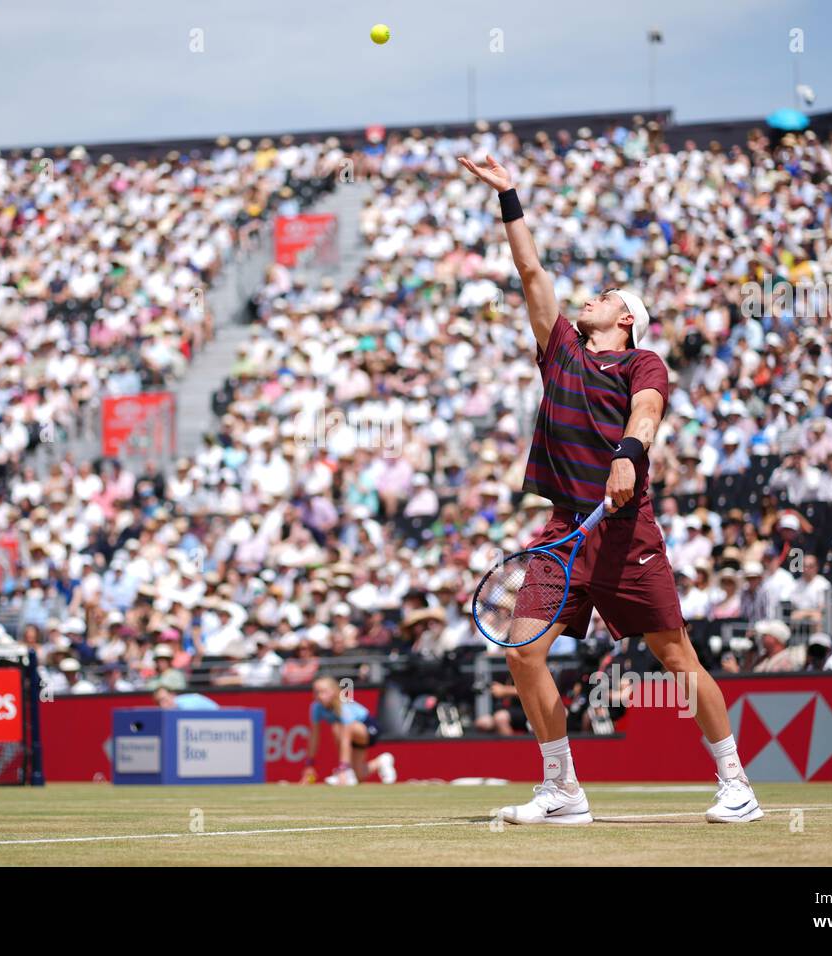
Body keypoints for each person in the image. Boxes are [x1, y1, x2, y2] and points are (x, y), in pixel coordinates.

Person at [457, 154, 762, 825]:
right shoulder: (560, 350)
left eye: (607, 296)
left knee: (674, 653)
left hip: (626, 532)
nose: (591, 297)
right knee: (523, 653)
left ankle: (737, 783)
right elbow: (531, 271)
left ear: (626, 319)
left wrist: (629, 453)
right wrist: (509, 193)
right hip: (567, 529)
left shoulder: (640, 361)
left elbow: (647, 410)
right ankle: (563, 790)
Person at [304, 674, 396, 786]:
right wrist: (309, 764)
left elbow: (345, 738)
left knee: (338, 728)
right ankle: (382, 761)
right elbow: (314, 736)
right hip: (352, 736)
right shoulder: (316, 707)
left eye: (323, 692)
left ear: (333, 692)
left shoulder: (343, 706)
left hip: (369, 729)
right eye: (316, 692)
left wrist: (343, 769)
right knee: (360, 776)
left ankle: (345, 771)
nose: (319, 695)